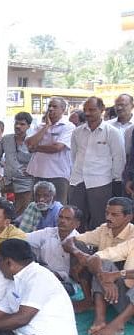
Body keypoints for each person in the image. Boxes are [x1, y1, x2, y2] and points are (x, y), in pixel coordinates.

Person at [64, 197, 134, 335]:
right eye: (107, 213)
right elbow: (98, 256)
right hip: (123, 298)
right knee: (102, 262)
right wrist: (103, 276)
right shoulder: (109, 231)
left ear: (128, 217)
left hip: (125, 293)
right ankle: (99, 319)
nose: (108, 217)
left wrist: (116, 275)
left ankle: (118, 324)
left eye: (114, 215)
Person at [69, 97, 123, 229]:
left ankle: (97, 249)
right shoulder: (77, 132)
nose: (87, 113)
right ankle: (76, 247)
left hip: (101, 182)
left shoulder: (112, 132)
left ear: (102, 110)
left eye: (92, 110)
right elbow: (74, 155)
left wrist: (115, 179)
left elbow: (119, 158)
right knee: (76, 220)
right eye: (85, 110)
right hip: (78, 181)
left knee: (100, 222)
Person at [26, 97, 74, 204]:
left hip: (58, 174)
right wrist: (46, 126)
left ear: (63, 109)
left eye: (54, 106)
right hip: (38, 173)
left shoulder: (68, 126)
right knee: (37, 205)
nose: (51, 109)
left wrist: (36, 148)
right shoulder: (40, 126)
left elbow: (57, 147)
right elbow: (29, 143)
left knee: (57, 206)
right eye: (49, 106)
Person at [0, 112, 34, 215]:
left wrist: (32, 170)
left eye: (22, 124)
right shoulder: (6, 139)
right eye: (16, 123)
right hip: (7, 179)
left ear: (28, 126)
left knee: (21, 212)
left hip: (26, 182)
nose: (18, 126)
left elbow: (40, 160)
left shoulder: (32, 140)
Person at [27, 205, 80, 285]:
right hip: (42, 274)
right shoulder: (48, 232)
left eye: (67, 219)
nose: (62, 221)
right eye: (60, 217)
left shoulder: (80, 241)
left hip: (66, 282)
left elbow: (77, 275)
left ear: (77, 224)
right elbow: (23, 237)